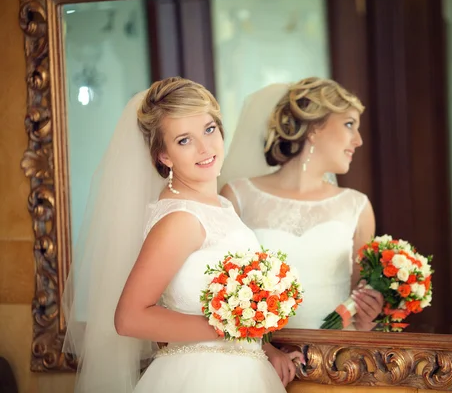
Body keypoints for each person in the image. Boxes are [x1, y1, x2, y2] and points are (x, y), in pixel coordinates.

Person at [62, 77, 297, 393]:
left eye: (209, 129)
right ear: (164, 156)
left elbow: (225, 310)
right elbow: (129, 317)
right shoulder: (181, 219)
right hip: (199, 379)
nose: (205, 147)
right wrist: (229, 327)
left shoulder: (222, 205)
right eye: (184, 140)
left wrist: (264, 347)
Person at [218, 77, 384, 380]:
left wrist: (368, 316)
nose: (358, 139)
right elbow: (223, 297)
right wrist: (266, 351)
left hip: (336, 367)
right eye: (349, 124)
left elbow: (356, 302)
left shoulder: (357, 207)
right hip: (260, 367)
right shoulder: (238, 197)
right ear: (315, 127)